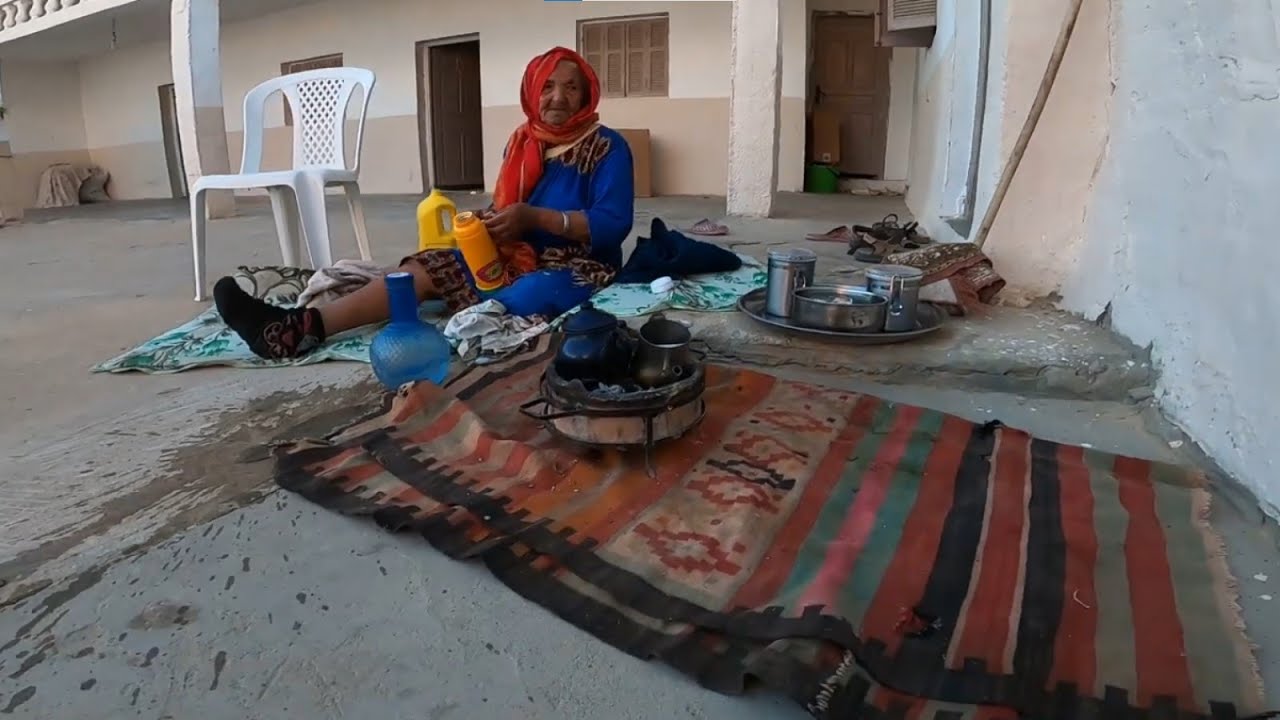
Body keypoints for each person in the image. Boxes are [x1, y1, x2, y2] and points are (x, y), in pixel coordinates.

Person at [214, 46, 635, 360]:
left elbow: (614, 224)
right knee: (422, 268)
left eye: (571, 87)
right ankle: (298, 330)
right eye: (547, 86)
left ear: (586, 96)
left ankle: (464, 311)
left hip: (578, 266)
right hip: (512, 255)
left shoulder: (607, 147)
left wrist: (536, 219)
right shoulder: (522, 142)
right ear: (530, 92)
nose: (558, 97)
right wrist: (492, 222)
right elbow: (511, 205)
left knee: (530, 293)